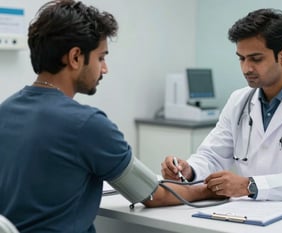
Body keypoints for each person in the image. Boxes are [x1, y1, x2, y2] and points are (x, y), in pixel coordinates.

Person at [0, 1, 220, 232]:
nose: (105, 69)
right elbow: (153, 195)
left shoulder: (5, 110)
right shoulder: (87, 124)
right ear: (75, 57)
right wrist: (207, 190)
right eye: (101, 57)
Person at [162, 8, 282, 201]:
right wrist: (188, 170)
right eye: (241, 58)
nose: (246, 68)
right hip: (254, 211)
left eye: (256, 59)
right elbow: (212, 156)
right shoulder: (239, 101)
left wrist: (249, 185)